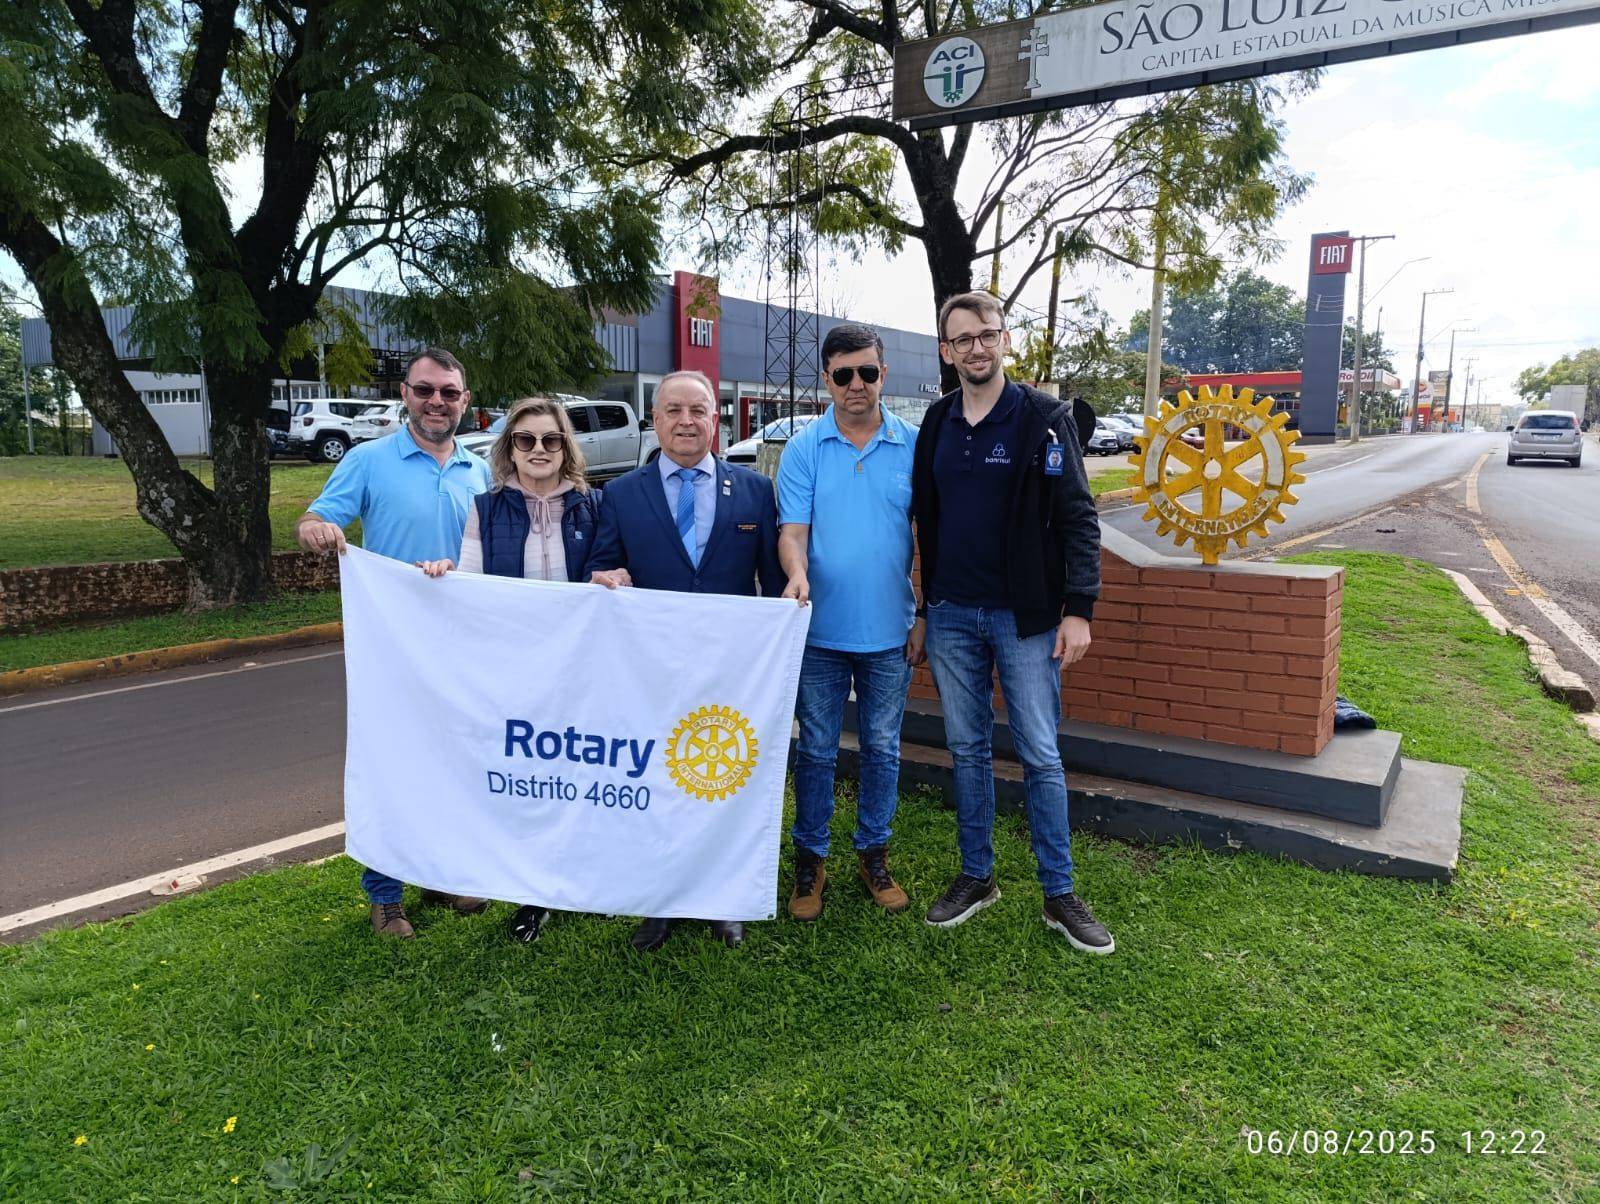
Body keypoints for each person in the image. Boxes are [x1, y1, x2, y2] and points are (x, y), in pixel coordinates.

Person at [910, 291, 1115, 954]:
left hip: (1025, 618)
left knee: (1039, 754)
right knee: (967, 750)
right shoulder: (937, 424)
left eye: (987, 334)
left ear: (1004, 340)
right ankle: (978, 876)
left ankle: (1059, 893)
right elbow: (924, 520)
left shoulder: (1044, 421)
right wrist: (922, 606)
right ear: (946, 350)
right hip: (950, 615)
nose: (976, 347)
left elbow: (1081, 520)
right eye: (962, 338)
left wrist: (1078, 610)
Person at [295, 347, 492, 940]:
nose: (437, 402)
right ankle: (385, 896)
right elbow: (312, 520)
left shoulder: (479, 469)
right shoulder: (369, 459)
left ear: (464, 401)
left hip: (462, 644)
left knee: (455, 760)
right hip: (393, 643)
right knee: (392, 766)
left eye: (449, 393)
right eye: (426, 390)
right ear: (405, 394)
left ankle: (441, 872)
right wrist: (319, 531)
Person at [588, 369, 785, 952]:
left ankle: (724, 899)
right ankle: (660, 899)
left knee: (725, 781)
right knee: (658, 785)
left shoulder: (754, 492)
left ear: (716, 420)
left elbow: (774, 589)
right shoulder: (622, 494)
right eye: (673, 410)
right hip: (650, 672)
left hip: (732, 673)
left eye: (698, 410)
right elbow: (599, 569)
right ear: (656, 420)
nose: (685, 421)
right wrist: (608, 577)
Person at [416, 396, 614, 945]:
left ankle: (582, 882)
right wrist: (446, 575)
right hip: (516, 671)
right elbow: (473, 583)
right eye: (525, 440)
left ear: (565, 446)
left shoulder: (595, 504)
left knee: (580, 779)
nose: (539, 450)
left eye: (551, 440)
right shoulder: (486, 507)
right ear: (509, 447)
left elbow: (609, 571)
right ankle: (533, 895)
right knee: (532, 783)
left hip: (579, 669)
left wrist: (609, 578)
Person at [776, 323, 919, 921]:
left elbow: (926, 538)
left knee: (883, 750)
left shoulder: (914, 444)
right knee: (816, 752)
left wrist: (926, 614)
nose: (855, 384)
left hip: (891, 631)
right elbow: (793, 532)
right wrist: (796, 574)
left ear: (884, 374)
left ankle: (873, 854)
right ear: (826, 379)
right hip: (820, 633)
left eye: (866, 372)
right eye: (842, 374)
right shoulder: (805, 448)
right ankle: (810, 860)